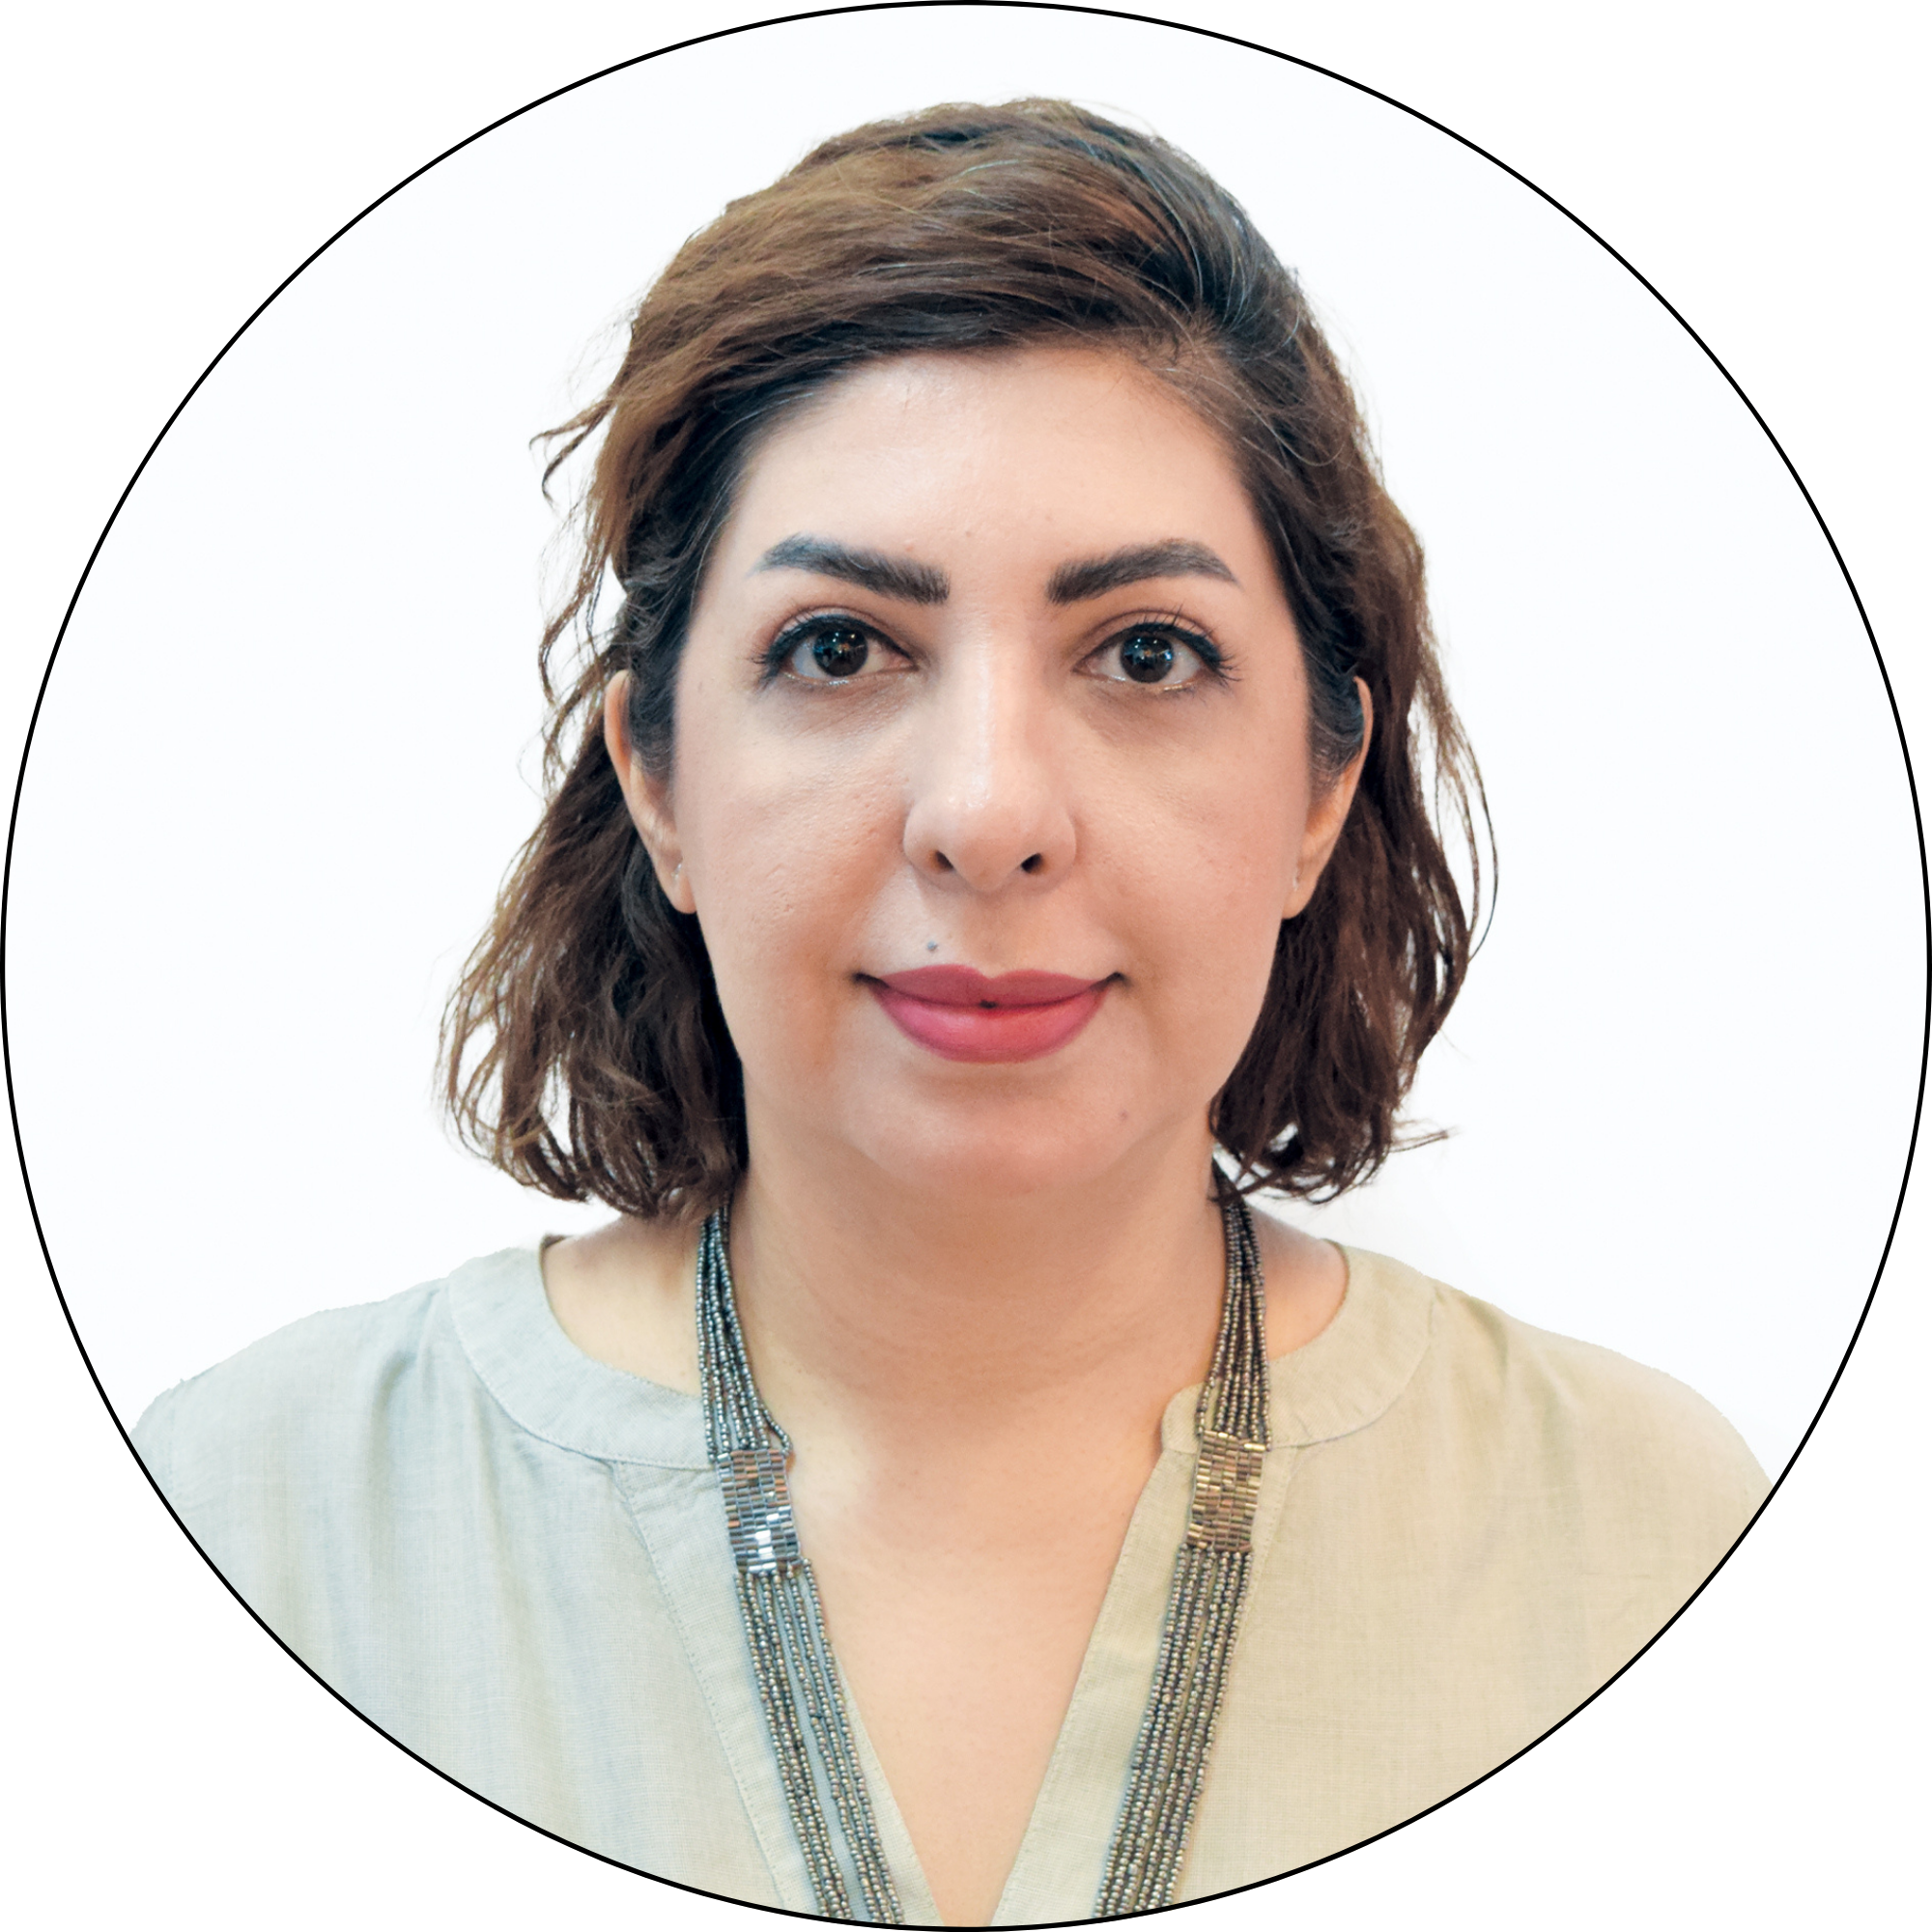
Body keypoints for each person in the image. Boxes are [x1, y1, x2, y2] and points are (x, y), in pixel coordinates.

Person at [132, 99, 1767, 1923]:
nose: (988, 815)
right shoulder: (256, 1521)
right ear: (657, 779)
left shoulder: (1645, 1538)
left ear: (1321, 788)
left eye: (1146, 652)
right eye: (840, 647)